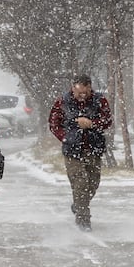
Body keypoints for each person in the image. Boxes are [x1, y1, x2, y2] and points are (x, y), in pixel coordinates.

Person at [48, 74, 112, 232]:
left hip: (93, 148)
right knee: (80, 183)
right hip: (72, 150)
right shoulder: (62, 102)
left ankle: (78, 205)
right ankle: (83, 220)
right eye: (79, 92)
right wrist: (66, 137)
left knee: (93, 183)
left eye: (85, 92)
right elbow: (54, 124)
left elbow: (107, 121)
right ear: (73, 88)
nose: (82, 95)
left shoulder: (99, 100)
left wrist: (92, 124)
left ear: (90, 88)